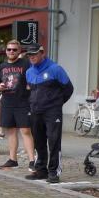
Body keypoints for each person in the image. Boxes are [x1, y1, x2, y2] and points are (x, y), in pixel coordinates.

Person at [24, 43, 73, 183]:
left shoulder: (55, 69)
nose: (32, 57)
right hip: (35, 112)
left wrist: (56, 104)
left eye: (34, 54)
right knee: (38, 141)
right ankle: (41, 171)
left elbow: (69, 89)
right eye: (29, 55)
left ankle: (53, 172)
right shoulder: (29, 72)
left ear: (42, 53)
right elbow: (31, 92)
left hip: (52, 112)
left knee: (54, 141)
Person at [0, 39, 36, 171]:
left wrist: (31, 87)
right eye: (9, 49)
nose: (11, 51)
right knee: (11, 131)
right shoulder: (1, 66)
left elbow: (33, 78)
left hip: (23, 102)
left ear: (19, 51)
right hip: (7, 103)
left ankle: (32, 161)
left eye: (14, 49)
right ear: (6, 51)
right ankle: (13, 160)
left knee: (25, 131)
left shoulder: (26, 63)